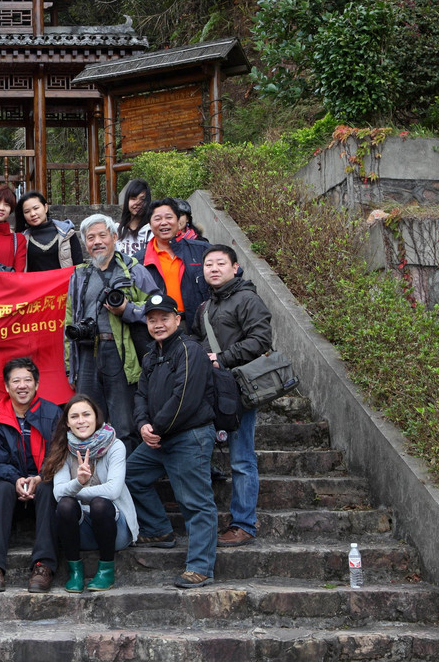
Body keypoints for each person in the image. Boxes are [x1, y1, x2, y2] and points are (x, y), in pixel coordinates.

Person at [125, 293, 218, 589]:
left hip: (189, 436)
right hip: (159, 437)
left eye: (164, 318)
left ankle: (200, 567)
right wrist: (142, 425)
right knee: (129, 475)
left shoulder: (190, 350)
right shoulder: (151, 355)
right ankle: (158, 529)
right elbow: (140, 395)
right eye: (152, 320)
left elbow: (185, 398)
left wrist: (156, 428)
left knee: (195, 501)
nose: (158, 324)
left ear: (177, 319)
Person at [190, 245, 273, 549]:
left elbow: (261, 339)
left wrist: (222, 357)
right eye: (208, 264)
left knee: (241, 458)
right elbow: (197, 339)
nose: (213, 269)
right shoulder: (205, 307)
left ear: (235, 268)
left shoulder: (247, 299)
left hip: (238, 388)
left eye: (220, 263)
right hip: (211, 390)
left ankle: (244, 524)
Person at [64, 214, 158, 453]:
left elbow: (156, 308)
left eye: (102, 235)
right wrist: (69, 365)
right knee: (88, 418)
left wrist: (128, 310)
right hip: (86, 352)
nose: (97, 242)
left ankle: (126, 472)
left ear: (115, 237)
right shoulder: (79, 275)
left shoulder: (133, 270)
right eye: (90, 238)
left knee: (123, 420)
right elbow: (69, 320)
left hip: (121, 352)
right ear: (85, 243)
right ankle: (92, 470)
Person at [40, 395, 138, 593]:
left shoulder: (115, 446)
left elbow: (113, 490)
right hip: (80, 532)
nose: (81, 421)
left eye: (86, 414)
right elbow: (58, 493)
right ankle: (75, 571)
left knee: (99, 503)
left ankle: (106, 571)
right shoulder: (63, 448)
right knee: (65, 505)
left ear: (96, 418)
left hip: (115, 530)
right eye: (74, 417)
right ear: (67, 423)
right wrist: (78, 481)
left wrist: (77, 490)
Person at [0, 357, 62, 593]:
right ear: (7, 387)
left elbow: (59, 453)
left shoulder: (53, 413)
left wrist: (40, 477)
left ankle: (43, 566)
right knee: (0, 489)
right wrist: (15, 479)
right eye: (16, 381)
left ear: (37, 384)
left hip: (42, 485)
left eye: (27, 380)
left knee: (49, 487)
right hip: (11, 486)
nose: (22, 386)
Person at [136, 199, 211, 331]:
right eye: (157, 218)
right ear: (150, 224)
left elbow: (232, 275)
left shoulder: (202, 250)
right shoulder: (138, 261)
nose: (164, 222)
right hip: (157, 329)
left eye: (169, 217)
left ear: (178, 221)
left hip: (197, 326)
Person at [15, 191, 83, 271]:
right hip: (34, 279)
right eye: (27, 211)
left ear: (46, 208)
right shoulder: (21, 239)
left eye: (36, 208)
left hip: (66, 279)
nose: (32, 214)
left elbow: (79, 264)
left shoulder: (67, 232)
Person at [116, 179, 152, 256]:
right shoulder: (117, 230)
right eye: (133, 198)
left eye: (142, 199)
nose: (137, 203)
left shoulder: (152, 231)